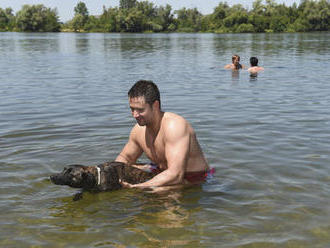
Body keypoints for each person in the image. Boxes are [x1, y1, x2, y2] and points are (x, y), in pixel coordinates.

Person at [116, 80, 213, 189]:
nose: (135, 115)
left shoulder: (175, 126)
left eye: (140, 110)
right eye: (132, 109)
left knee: (161, 191)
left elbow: (176, 175)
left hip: (194, 178)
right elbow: (125, 158)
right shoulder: (138, 131)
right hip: (161, 171)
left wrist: (138, 187)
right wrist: (114, 173)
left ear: (155, 105)